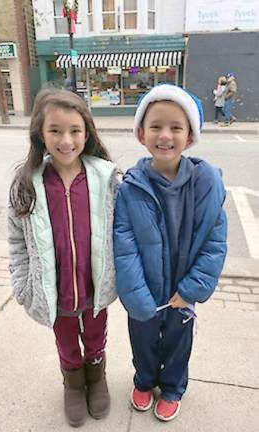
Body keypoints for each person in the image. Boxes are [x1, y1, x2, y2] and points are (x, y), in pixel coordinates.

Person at [113, 84, 227, 422]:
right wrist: (136, 295)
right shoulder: (130, 187)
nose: (165, 135)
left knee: (179, 342)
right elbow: (124, 242)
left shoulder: (205, 183)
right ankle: (145, 380)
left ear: (190, 136)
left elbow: (214, 242)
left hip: (182, 288)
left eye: (176, 127)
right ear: (140, 134)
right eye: (156, 126)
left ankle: (174, 386)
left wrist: (191, 289)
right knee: (143, 339)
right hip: (145, 287)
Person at [7, 88, 119, 427]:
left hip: (94, 288)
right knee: (66, 341)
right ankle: (73, 382)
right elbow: (16, 241)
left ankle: (96, 375)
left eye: (74, 131)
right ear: (40, 134)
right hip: (54, 293)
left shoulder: (107, 178)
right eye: (55, 130)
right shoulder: (27, 183)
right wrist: (23, 285)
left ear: (87, 132)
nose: (66, 140)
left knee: (95, 335)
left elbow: (123, 231)